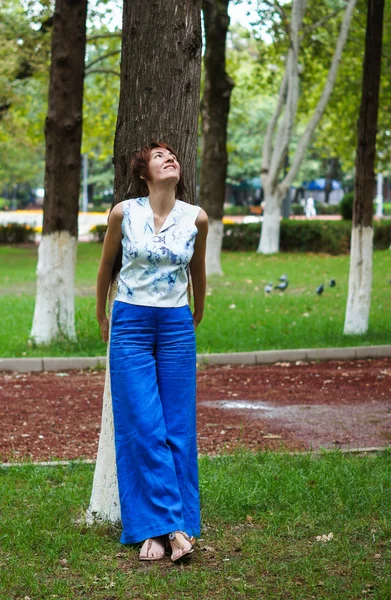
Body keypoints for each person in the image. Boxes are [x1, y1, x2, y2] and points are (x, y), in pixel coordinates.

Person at [96, 141, 208, 563]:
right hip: (130, 323)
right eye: (160, 156)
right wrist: (101, 315)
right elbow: (107, 267)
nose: (170, 158)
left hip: (177, 325)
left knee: (177, 426)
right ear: (144, 173)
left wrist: (198, 310)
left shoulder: (196, 217)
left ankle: (168, 529)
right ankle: (166, 528)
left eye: (173, 155)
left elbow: (196, 269)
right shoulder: (124, 212)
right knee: (142, 424)